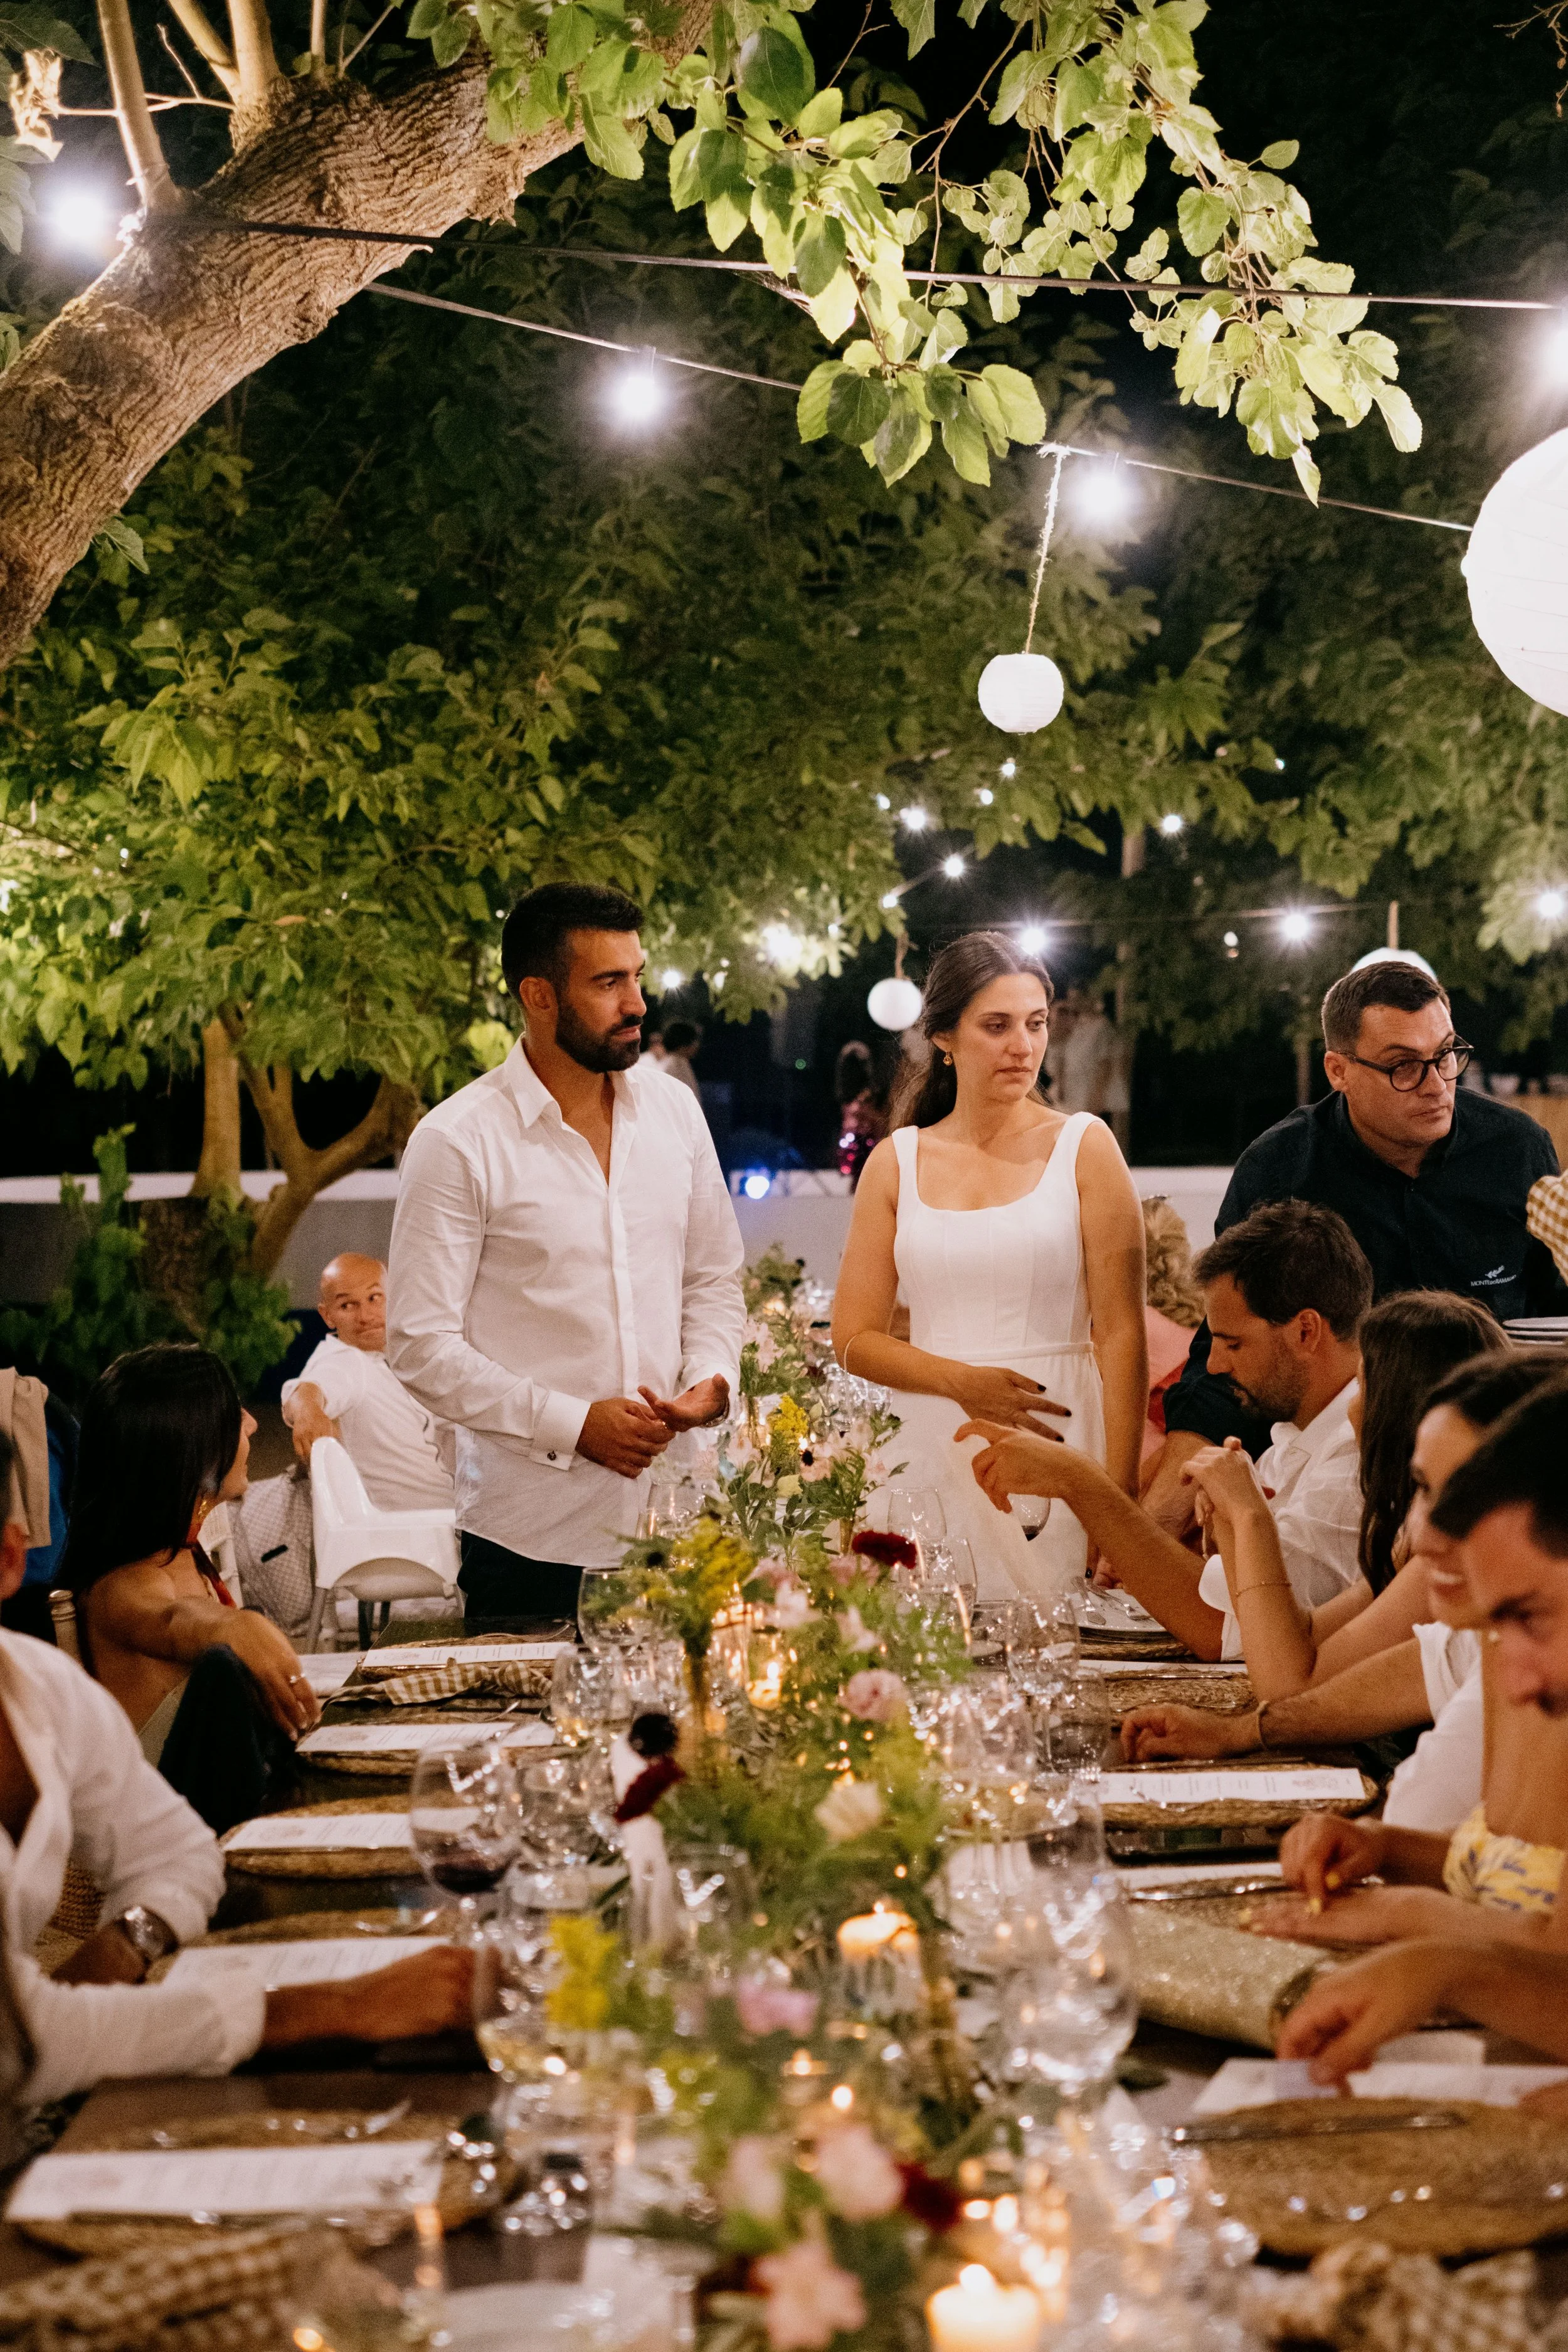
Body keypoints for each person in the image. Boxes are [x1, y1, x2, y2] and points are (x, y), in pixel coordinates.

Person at [0, 1423, 474, 2102]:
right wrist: (335, 2006)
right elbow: (25, 2044)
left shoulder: (43, 1689)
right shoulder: (122, 1594)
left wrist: (126, 1943)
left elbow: (182, 1853)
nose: (252, 1426)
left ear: (9, 1560)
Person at [386, 882, 745, 1623]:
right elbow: (420, 1345)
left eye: (637, 976)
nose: (637, 1003)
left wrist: (712, 1378)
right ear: (538, 995)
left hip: (677, 1521)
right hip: (530, 1542)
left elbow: (711, 1278)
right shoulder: (458, 1141)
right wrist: (574, 1424)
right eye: (609, 983)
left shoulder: (674, 1112)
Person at [1146, 957, 1565, 1525]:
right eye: (1403, 1067)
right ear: (1338, 1070)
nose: (1438, 1084)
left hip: (1493, 1467)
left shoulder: (1515, 1150)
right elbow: (1228, 1349)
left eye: (1446, 1055)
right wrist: (1162, 1511)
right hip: (1335, 1473)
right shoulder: (1282, 1171)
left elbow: (1553, 1324)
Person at [832, 931, 1148, 1602]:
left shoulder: (1084, 1147)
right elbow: (854, 1338)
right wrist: (960, 1382)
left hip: (1060, 1433)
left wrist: (1116, 1502)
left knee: (1064, 1647)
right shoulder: (898, 1160)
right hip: (933, 1432)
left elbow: (1122, 1334)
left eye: (1036, 1024)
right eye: (997, 1026)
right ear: (944, 1036)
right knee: (929, 1650)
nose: (1022, 1046)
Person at [1276, 1376, 1568, 2085]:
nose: (1425, 1532)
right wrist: (1382, 1849)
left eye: (1529, 1615)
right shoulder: (1522, 1663)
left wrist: (1434, 1950)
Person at [957, 1200, 1369, 1652]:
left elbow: (1230, 1627)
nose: (1213, 1365)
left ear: (1306, 1331)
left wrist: (1077, 1481)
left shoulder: (1355, 1457)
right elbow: (1224, 1585)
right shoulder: (1295, 1437)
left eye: (1232, 1343)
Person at [61, 1345, 319, 1833]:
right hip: (178, 1862)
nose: (252, 1425)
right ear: (196, 1449)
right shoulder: (123, 1583)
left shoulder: (185, 1552)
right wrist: (236, 1625)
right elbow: (171, 1620)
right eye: (234, 1415)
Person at [281, 1253, 453, 1513]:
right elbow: (309, 1388)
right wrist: (308, 1412)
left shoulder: (403, 1353)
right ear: (328, 1316)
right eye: (347, 1306)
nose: (365, 1316)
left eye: (374, 1298)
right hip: (417, 1528)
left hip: (451, 1512)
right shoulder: (345, 1360)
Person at [835, 1041, 886, 1189]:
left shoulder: (867, 1093)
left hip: (866, 1139)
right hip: (856, 1139)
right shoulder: (853, 1094)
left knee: (863, 1178)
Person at [654, 1017, 703, 1098]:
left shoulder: (670, 1061)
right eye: (695, 1041)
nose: (697, 1045)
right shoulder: (678, 1065)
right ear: (684, 1045)